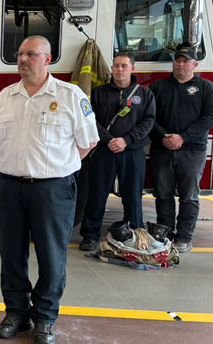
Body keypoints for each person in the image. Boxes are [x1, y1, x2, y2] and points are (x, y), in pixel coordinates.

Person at [0, 36, 98, 344]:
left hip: (53, 188)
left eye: (31, 54)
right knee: (11, 254)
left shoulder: (70, 95)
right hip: (8, 186)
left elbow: (88, 142)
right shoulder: (6, 96)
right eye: (20, 54)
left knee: (51, 255)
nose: (23, 59)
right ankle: (16, 313)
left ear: (47, 60)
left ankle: (45, 316)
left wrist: (57, 167)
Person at [79, 53, 155, 251]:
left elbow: (148, 121)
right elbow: (90, 119)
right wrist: (109, 139)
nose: (119, 69)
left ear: (133, 69)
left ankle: (135, 235)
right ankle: (90, 235)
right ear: (111, 69)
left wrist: (126, 140)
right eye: (116, 66)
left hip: (132, 151)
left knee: (133, 195)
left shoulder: (145, 94)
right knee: (97, 194)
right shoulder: (99, 93)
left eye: (123, 66)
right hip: (104, 151)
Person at [148, 46, 213, 253]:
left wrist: (182, 137)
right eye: (178, 60)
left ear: (195, 64)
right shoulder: (158, 87)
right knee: (163, 195)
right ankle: (164, 235)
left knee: (189, 196)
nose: (181, 64)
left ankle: (184, 237)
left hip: (193, 150)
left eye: (186, 61)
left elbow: (208, 118)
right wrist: (164, 136)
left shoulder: (206, 88)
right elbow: (149, 117)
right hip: (163, 148)